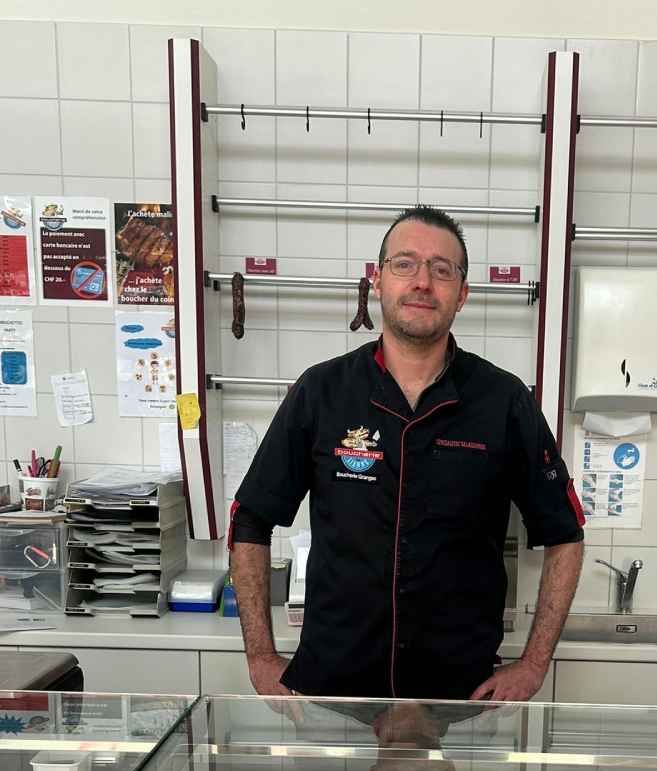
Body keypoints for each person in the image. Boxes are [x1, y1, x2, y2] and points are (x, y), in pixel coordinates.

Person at [230, 203, 584, 703]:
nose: (422, 282)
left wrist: (532, 664)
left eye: (442, 270)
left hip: (458, 698)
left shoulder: (503, 402)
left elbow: (565, 535)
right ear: (377, 281)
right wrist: (261, 656)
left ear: (462, 295)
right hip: (334, 694)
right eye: (405, 264)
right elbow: (249, 519)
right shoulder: (321, 392)